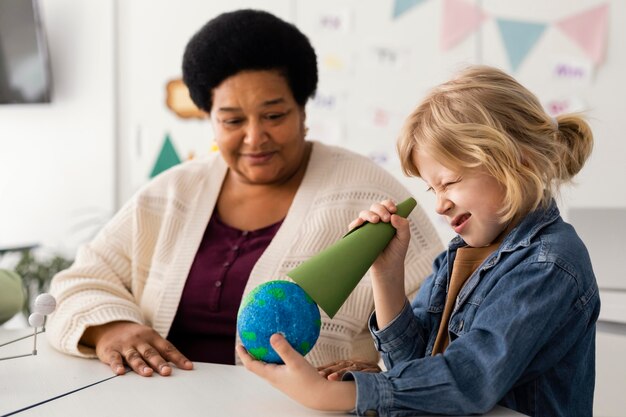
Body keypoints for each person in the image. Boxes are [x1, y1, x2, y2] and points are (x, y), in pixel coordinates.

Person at [47, 9, 443, 378]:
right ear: (210, 119)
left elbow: (437, 322)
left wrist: (374, 372)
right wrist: (113, 328)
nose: (255, 137)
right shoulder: (170, 193)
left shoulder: (369, 195)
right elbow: (79, 282)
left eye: (274, 115)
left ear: (303, 111)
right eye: (232, 120)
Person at [238, 65, 600, 417]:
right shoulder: (458, 257)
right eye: (432, 188)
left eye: (450, 182)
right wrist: (386, 274)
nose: (439, 204)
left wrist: (334, 395)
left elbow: (471, 380)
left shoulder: (549, 266)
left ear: (517, 161)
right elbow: (414, 364)